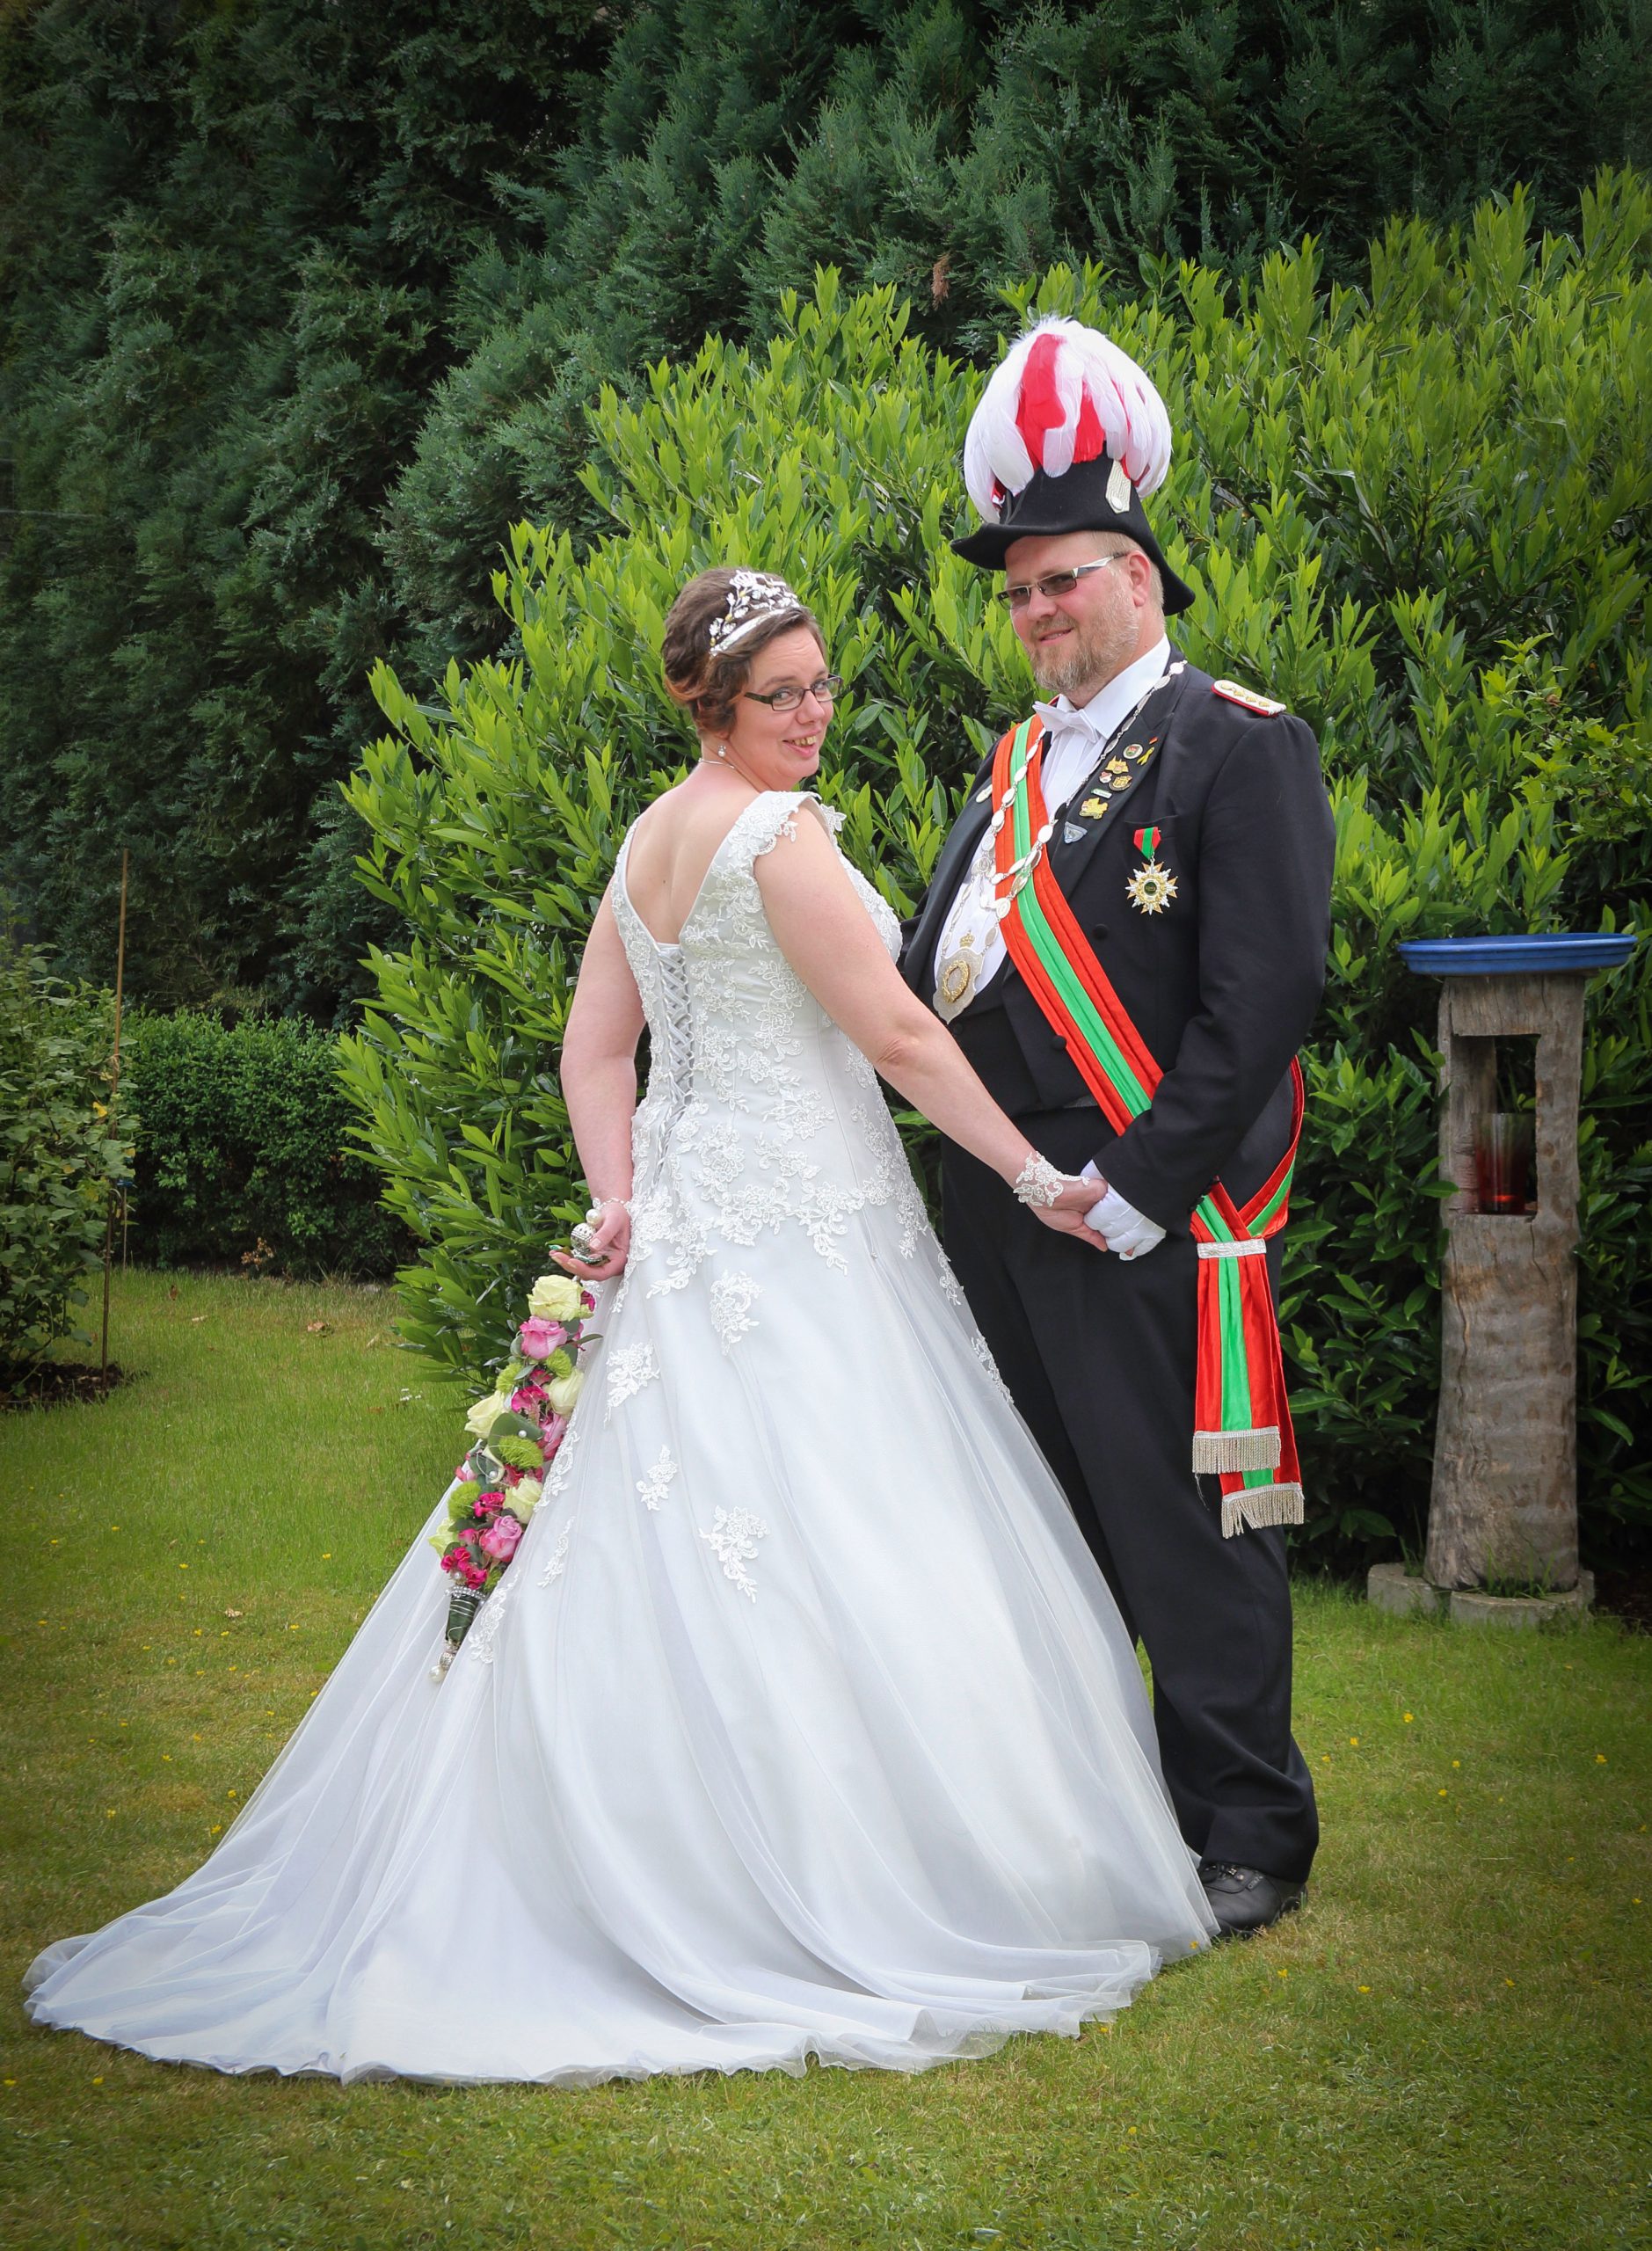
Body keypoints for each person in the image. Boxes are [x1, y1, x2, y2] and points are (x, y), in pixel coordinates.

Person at [25, 565, 1217, 2087]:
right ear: (710, 706)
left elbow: (597, 1053)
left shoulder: (652, 836)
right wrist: (1037, 1175)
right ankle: (834, 1876)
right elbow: (900, 1035)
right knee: (840, 1521)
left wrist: (622, 1198)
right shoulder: (778, 837)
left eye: (822, 684)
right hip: (801, 1233)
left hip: (702, 1224)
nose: (813, 714)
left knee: (680, 1528)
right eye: (780, 694)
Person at [902, 317, 1335, 1936]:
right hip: (1004, 1202)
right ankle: (1103, 1816)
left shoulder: (1238, 743)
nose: (1035, 611)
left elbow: (1264, 997)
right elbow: (937, 973)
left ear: (1139, 577)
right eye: (1017, 591)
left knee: (1181, 1524)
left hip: (1145, 1204)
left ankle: (1251, 1829)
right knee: (1048, 1521)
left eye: (1061, 581)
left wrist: (1143, 1185)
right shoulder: (1011, 763)